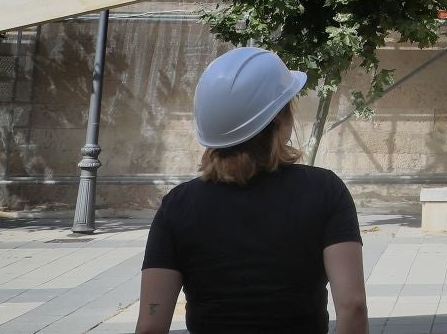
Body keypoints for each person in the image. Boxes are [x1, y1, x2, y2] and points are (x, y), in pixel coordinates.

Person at [137, 47, 366, 334]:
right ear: (281, 121)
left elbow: (150, 326)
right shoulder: (325, 190)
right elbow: (353, 306)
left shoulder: (179, 205)